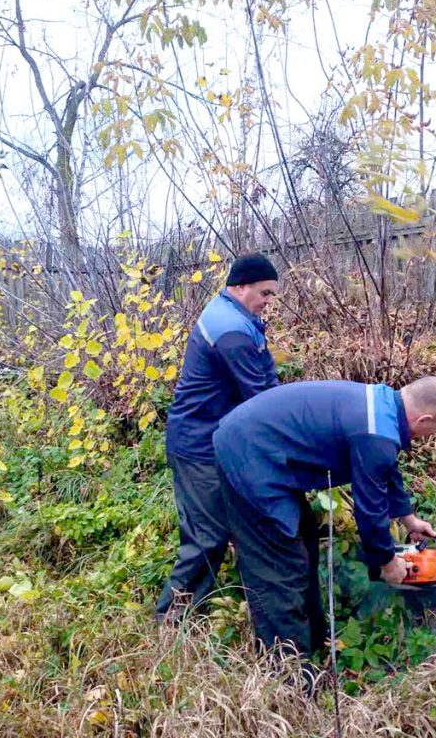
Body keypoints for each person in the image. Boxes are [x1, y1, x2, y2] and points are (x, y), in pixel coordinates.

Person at [213, 376, 436, 657]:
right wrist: (388, 564)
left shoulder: (383, 405)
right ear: (424, 420)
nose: (427, 438)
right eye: (432, 431)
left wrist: (408, 519)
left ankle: (314, 646)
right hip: (249, 455)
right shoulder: (377, 434)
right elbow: (369, 510)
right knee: (279, 567)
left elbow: (384, 471)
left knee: (305, 546)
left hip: (265, 451)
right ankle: (287, 674)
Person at [155, 253, 281, 619]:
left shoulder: (238, 318)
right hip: (197, 446)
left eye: (272, 294)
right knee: (206, 537)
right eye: (265, 293)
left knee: (222, 529)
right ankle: (170, 622)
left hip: (213, 441)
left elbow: (266, 380)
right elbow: (260, 396)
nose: (268, 301)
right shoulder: (230, 330)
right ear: (240, 287)